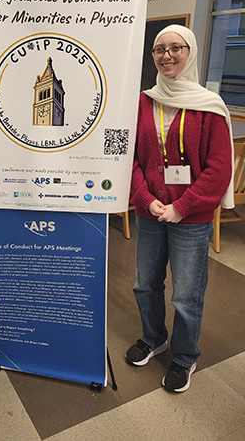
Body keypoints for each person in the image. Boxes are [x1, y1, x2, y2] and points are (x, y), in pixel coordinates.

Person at [126, 24, 234, 392]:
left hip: (190, 218)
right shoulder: (143, 100)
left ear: (191, 53)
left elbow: (219, 170)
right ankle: (155, 338)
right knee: (145, 284)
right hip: (150, 212)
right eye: (159, 49)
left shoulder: (208, 105)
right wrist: (146, 199)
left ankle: (185, 356)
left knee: (187, 292)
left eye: (176, 48)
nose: (167, 55)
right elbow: (129, 159)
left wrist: (182, 206)